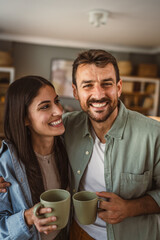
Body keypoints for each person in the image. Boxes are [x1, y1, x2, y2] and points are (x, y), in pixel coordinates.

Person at [1, 49, 160, 240]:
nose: (98, 94)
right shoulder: (66, 126)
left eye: (106, 84)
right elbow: (25, 137)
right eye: (88, 85)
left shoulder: (153, 134)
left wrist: (131, 207)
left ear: (119, 87)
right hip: (77, 233)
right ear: (75, 91)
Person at [0, 76, 69, 240]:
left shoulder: (68, 147)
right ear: (24, 118)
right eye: (45, 106)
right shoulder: (6, 163)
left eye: (56, 101)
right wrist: (28, 217)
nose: (59, 111)